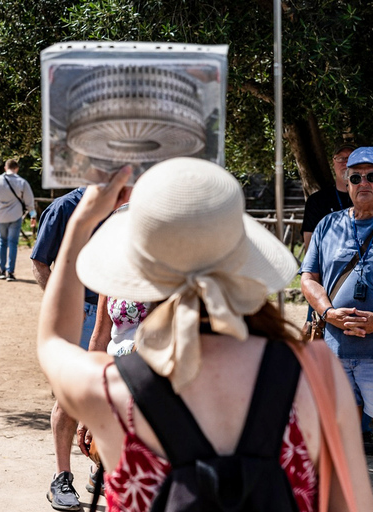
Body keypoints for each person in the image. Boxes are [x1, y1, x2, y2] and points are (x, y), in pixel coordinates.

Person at [38, 158, 373, 511]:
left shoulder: (109, 388)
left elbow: (53, 343)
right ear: (241, 255)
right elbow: (353, 504)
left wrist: (82, 221)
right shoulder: (317, 372)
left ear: (142, 265)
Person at [30, 187, 108, 510]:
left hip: (119, 313)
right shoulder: (64, 207)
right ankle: (61, 478)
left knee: (110, 396)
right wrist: (63, 305)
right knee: (71, 397)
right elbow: (39, 261)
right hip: (83, 313)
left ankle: (100, 471)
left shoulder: (127, 207)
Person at [302, 146, 373, 439]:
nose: (364, 183)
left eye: (372, 176)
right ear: (346, 182)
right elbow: (308, 278)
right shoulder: (327, 225)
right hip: (335, 351)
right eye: (355, 178)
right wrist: (328, 313)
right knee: (341, 438)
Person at [0, 159, 36, 281]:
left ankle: (2, 270)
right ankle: (10, 272)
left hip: (1, 216)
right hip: (16, 216)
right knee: (13, 243)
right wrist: (33, 216)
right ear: (17, 168)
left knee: (2, 242)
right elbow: (30, 202)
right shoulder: (22, 182)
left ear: (5, 168)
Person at [301, 142, 357, 249]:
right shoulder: (316, 201)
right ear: (333, 164)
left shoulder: (368, 197)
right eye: (340, 158)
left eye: (350, 158)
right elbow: (310, 247)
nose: (346, 163)